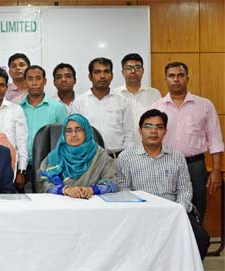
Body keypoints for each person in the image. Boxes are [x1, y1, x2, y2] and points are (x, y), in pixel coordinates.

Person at [116, 109, 210, 260]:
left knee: (202, 239)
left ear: (165, 131)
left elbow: (185, 189)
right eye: (148, 126)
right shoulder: (126, 157)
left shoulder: (177, 156)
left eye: (159, 127)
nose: (153, 131)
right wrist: (142, 212)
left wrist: (179, 210)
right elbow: (124, 191)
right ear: (140, 130)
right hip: (141, 214)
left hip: (175, 212)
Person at [152, 62, 223, 223]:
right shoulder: (156, 107)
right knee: (167, 210)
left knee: (197, 208)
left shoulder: (204, 105)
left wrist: (216, 170)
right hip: (165, 164)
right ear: (165, 79)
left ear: (187, 78)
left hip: (195, 165)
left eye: (180, 75)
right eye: (171, 76)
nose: (176, 79)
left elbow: (215, 140)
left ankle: (196, 246)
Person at [39, 114, 119, 197]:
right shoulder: (54, 157)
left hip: (91, 203)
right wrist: (65, 190)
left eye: (78, 130)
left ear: (86, 132)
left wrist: (92, 190)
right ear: (64, 134)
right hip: (60, 205)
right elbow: (42, 184)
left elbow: (113, 183)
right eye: (69, 131)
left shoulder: (100, 156)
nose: (73, 134)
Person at [71, 57, 133, 157]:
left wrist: (126, 158)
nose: (102, 76)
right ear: (90, 76)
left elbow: (129, 135)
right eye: (97, 72)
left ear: (112, 76)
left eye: (106, 71)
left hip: (117, 158)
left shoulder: (122, 101)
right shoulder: (79, 102)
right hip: (88, 158)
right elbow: (74, 134)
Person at [19, 65, 68, 192]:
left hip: (50, 167)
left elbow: (65, 140)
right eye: (30, 79)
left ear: (45, 81)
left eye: (38, 78)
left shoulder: (58, 108)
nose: (34, 83)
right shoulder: (17, 109)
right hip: (24, 168)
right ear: (25, 82)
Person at [112, 53, 162, 143]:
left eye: (137, 67)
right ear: (122, 72)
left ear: (143, 70)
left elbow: (159, 123)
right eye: (128, 68)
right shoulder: (114, 95)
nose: (133, 71)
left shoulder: (154, 94)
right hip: (122, 149)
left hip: (148, 147)